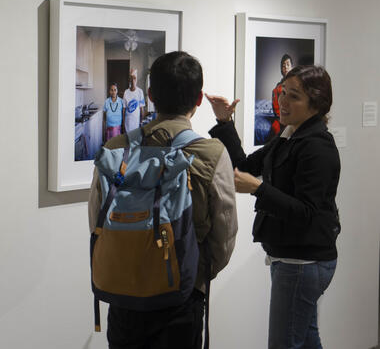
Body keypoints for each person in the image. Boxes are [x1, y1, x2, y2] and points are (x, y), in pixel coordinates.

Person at [89, 51, 238, 349]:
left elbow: (96, 218)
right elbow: (224, 234)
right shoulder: (212, 153)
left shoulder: (115, 149)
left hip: (124, 294)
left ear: (151, 95)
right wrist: (195, 275)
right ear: (198, 100)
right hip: (181, 296)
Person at [207, 65, 340, 349]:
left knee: (285, 342)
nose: (282, 101)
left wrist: (258, 189)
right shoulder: (289, 136)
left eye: (294, 96)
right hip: (293, 258)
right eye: (282, 92)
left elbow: (306, 213)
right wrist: (224, 121)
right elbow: (245, 165)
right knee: (305, 339)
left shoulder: (318, 147)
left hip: (304, 261)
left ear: (316, 105)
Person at [271, 54, 293, 136]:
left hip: (295, 117)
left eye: (288, 64)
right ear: (281, 69)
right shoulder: (278, 88)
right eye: (284, 66)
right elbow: (276, 106)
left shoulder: (299, 84)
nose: (286, 67)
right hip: (281, 118)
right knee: (275, 128)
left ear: (292, 67)